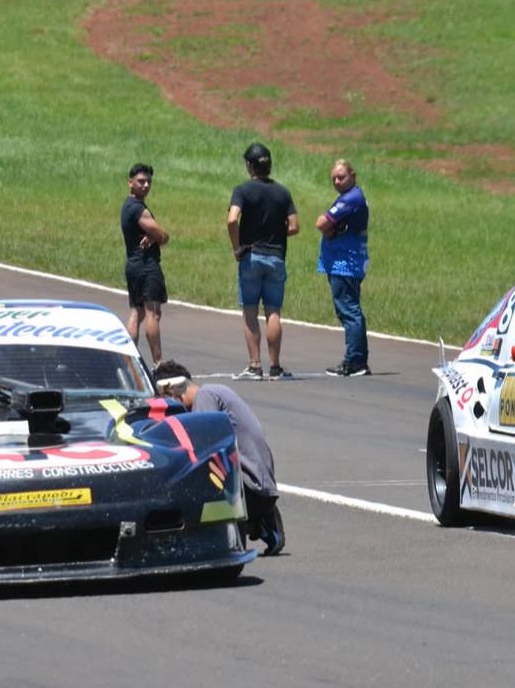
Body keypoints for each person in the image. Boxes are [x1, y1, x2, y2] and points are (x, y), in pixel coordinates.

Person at [153, 360, 285, 555]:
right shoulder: (215, 391)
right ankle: (261, 522)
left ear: (175, 390)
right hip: (259, 487)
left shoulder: (204, 398)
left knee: (187, 480)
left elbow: (204, 450)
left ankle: (230, 532)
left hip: (249, 490)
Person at [227, 143, 299, 381]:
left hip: (251, 254)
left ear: (249, 166)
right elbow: (294, 226)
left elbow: (232, 220)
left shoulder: (242, 190)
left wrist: (237, 247)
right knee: (273, 311)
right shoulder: (282, 192)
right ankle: (275, 367)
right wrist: (275, 232)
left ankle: (255, 365)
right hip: (276, 256)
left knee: (250, 311)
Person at [315, 158, 371, 376]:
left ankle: (355, 361)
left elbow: (321, 223)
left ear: (353, 176)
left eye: (341, 177)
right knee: (350, 309)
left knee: (349, 311)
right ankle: (358, 358)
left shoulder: (351, 198)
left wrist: (329, 229)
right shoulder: (349, 197)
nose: (337, 182)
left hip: (345, 263)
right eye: (334, 179)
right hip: (345, 261)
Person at [121, 162, 171, 371]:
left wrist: (153, 236)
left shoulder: (127, 206)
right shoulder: (138, 209)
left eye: (149, 181)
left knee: (137, 312)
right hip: (146, 265)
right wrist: (157, 236)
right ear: (130, 183)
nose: (146, 185)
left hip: (133, 264)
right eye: (141, 181)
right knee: (153, 313)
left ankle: (127, 360)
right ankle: (158, 362)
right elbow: (163, 236)